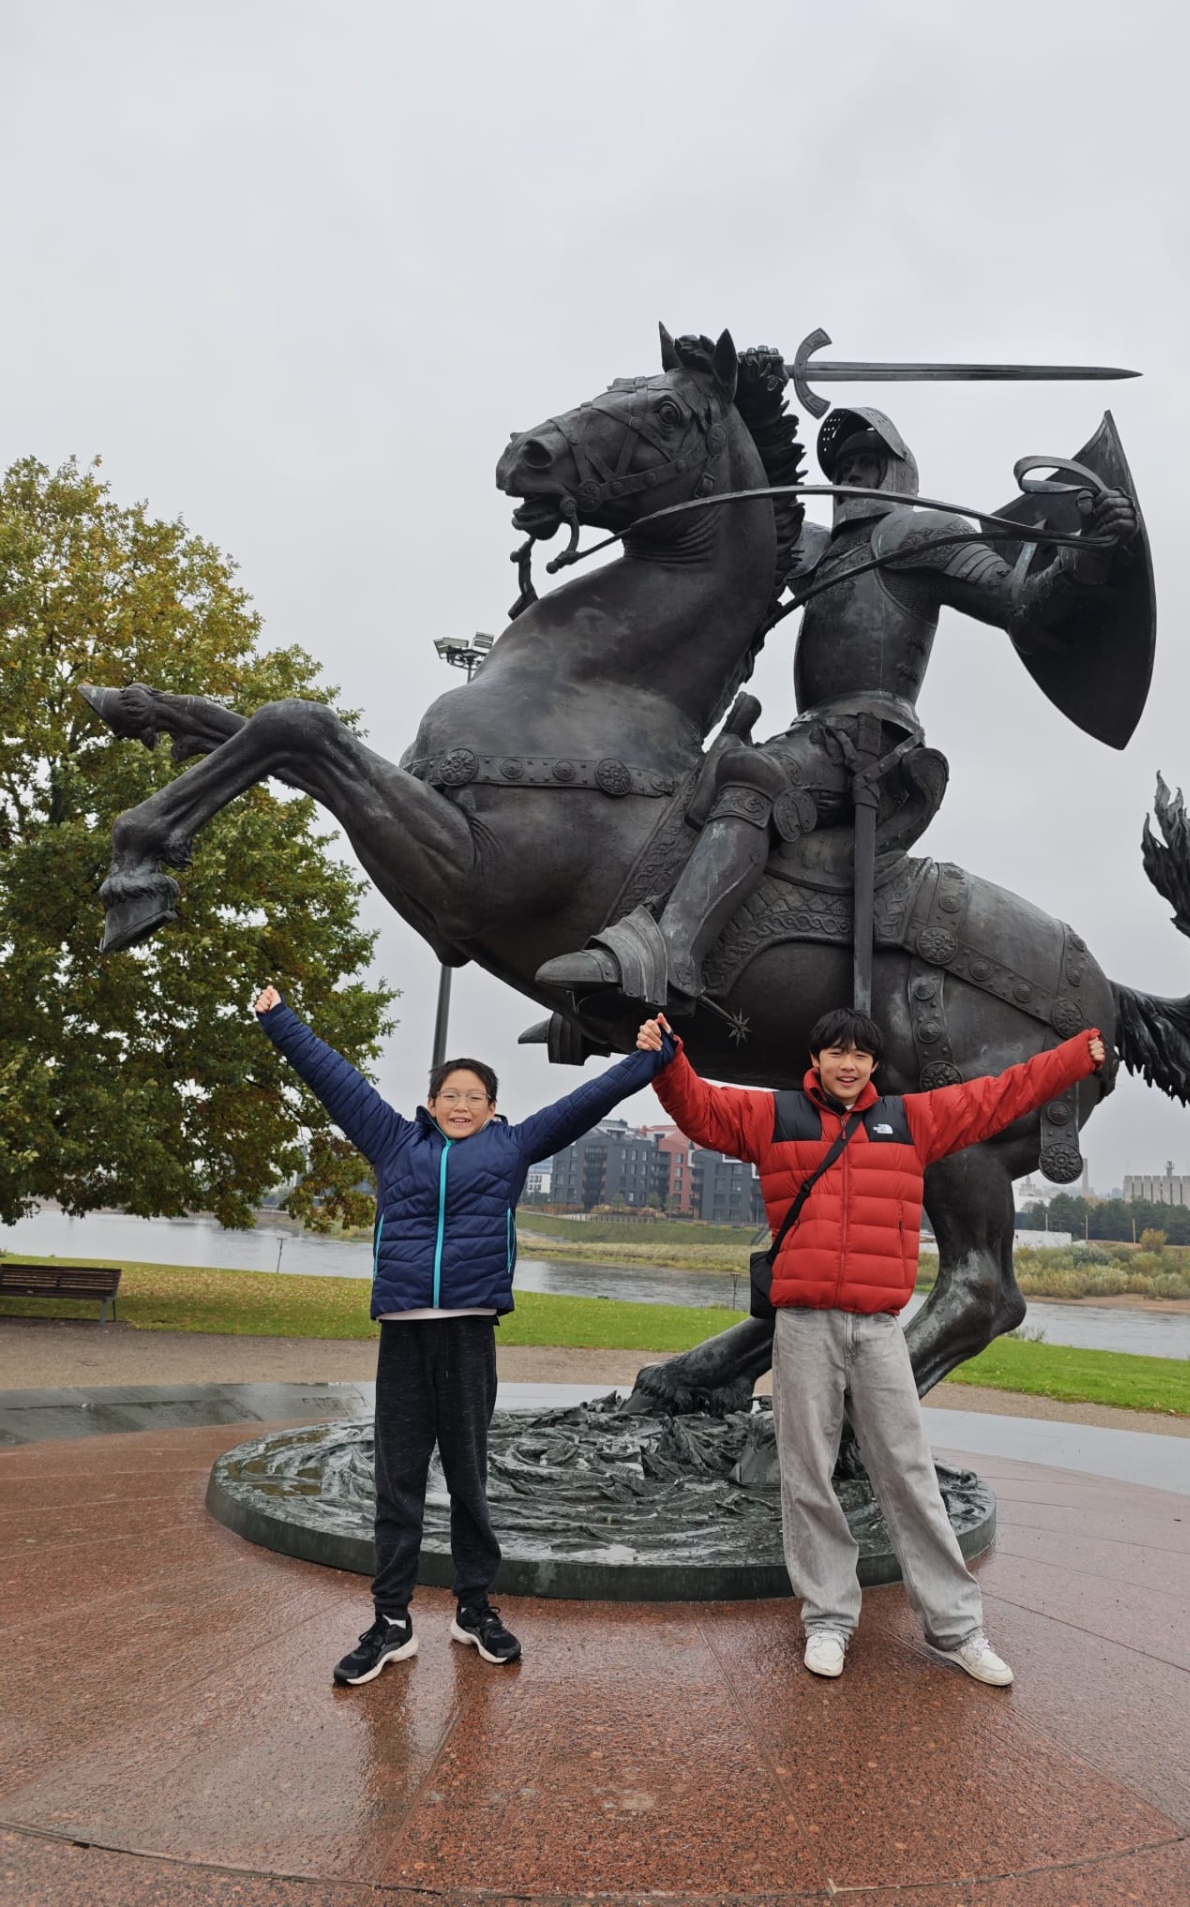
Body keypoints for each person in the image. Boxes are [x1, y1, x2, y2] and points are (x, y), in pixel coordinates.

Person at [541, 404, 1138, 1005]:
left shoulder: (918, 535)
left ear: (895, 471)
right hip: (810, 735)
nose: (852, 473)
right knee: (683, 789)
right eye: (845, 463)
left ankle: (669, 963)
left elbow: (1021, 602)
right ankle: (608, 958)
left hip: (871, 744)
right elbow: (729, 540)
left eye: (866, 462)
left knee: (752, 781)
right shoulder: (817, 550)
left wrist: (1086, 557)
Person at [636, 1005, 1105, 1684]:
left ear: (873, 1064)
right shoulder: (777, 1118)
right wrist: (669, 1059)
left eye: (860, 1054)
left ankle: (958, 1628)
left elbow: (999, 1095)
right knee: (808, 1475)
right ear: (817, 1059)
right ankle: (828, 1619)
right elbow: (702, 1112)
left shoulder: (911, 1122)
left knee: (909, 1473)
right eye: (836, 1052)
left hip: (879, 1327)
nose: (848, 1064)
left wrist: (1072, 1059)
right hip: (802, 1326)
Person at [253, 986, 675, 1685]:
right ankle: (391, 1619)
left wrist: (646, 1061)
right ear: (431, 1104)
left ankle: (474, 1607)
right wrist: (279, 1017)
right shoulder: (392, 1141)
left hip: (471, 1337)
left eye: (473, 1095)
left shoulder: (511, 1149)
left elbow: (584, 1104)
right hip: (406, 1339)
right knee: (398, 1481)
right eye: (449, 1093)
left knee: (471, 1479)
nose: (460, 1104)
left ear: (492, 1107)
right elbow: (334, 1077)